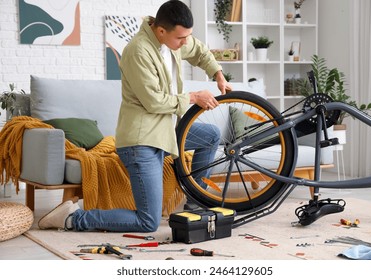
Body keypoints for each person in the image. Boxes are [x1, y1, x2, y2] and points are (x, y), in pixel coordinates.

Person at [38, 0, 231, 232]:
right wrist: (193, 97)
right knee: (148, 221)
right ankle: (72, 217)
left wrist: (218, 73)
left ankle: (194, 201)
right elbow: (154, 101)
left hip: (165, 131)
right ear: (161, 31)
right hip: (142, 142)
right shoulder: (137, 52)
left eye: (187, 36)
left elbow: (199, 50)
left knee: (210, 135)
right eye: (181, 38)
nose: (185, 42)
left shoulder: (175, 42)